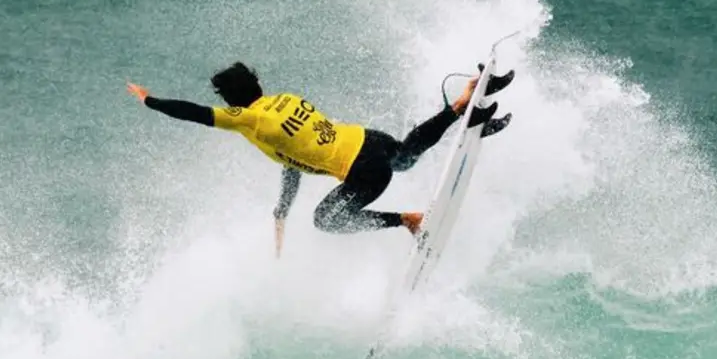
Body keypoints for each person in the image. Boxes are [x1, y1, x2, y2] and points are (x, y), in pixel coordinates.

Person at [126, 61, 513, 255]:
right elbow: (293, 165)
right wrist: (281, 210)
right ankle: (462, 104)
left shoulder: (248, 120)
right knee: (405, 157)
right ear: (258, 85)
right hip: (370, 140)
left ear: (231, 103)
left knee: (326, 220)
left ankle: (407, 220)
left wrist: (149, 101)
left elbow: (193, 112)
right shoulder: (284, 101)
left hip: (362, 170)